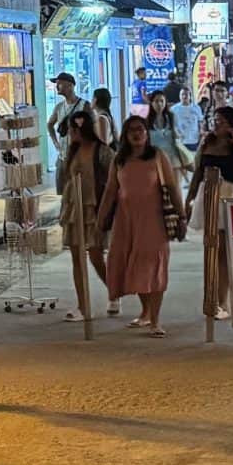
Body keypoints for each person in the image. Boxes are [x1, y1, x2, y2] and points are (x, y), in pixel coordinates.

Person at [96, 113, 180, 334]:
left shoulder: (158, 156)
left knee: (154, 266)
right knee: (134, 267)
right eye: (132, 129)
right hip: (126, 221)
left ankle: (155, 320)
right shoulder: (119, 160)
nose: (137, 133)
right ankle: (145, 312)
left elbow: (172, 187)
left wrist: (181, 215)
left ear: (147, 133)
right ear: (125, 135)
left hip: (154, 221)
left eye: (140, 129)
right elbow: (111, 191)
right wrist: (100, 219)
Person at [186, 105, 233, 322]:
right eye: (214, 120)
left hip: (231, 196)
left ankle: (222, 301)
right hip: (208, 196)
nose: (216, 124)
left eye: (222, 121)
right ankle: (212, 299)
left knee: (224, 252)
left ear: (232, 124)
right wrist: (188, 198)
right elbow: (198, 170)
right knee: (211, 249)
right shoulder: (207, 143)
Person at [55, 108, 113, 323]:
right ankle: (83, 305)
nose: (70, 133)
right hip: (74, 206)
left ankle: (113, 290)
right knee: (76, 256)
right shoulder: (72, 151)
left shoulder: (102, 151)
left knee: (96, 255)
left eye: (72, 129)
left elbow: (114, 177)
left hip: (93, 206)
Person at [45, 72, 84, 153]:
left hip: (80, 155)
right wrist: (55, 142)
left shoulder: (84, 106)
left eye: (59, 84)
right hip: (64, 155)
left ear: (70, 86)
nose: (56, 87)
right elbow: (49, 124)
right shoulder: (59, 107)